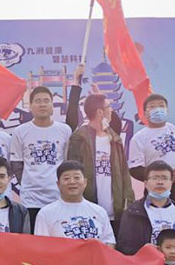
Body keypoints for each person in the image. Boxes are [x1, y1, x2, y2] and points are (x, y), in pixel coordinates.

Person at [66, 90, 134, 235]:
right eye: (109, 107)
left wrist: (128, 200)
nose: (111, 111)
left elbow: (124, 173)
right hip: (88, 211)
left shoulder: (114, 139)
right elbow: (72, 172)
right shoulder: (79, 138)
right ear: (100, 112)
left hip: (115, 212)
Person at [9, 86, 72, 230]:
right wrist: (29, 183)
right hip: (30, 199)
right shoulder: (20, 131)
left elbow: (67, 163)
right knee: (33, 238)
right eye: (38, 101)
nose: (42, 104)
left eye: (46, 101)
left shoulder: (64, 130)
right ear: (30, 106)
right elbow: (17, 164)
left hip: (57, 197)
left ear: (52, 105)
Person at [128, 94, 175, 204]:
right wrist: (162, 176)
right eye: (152, 106)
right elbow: (134, 170)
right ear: (144, 113)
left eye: (161, 106)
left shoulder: (172, 128)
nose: (158, 109)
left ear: (167, 110)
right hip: (157, 189)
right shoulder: (139, 138)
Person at [33, 160, 115, 246]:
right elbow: (41, 247)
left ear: (85, 182)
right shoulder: (45, 214)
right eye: (66, 178)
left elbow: (109, 242)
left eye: (77, 178)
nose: (72, 182)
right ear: (58, 184)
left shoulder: (100, 211)